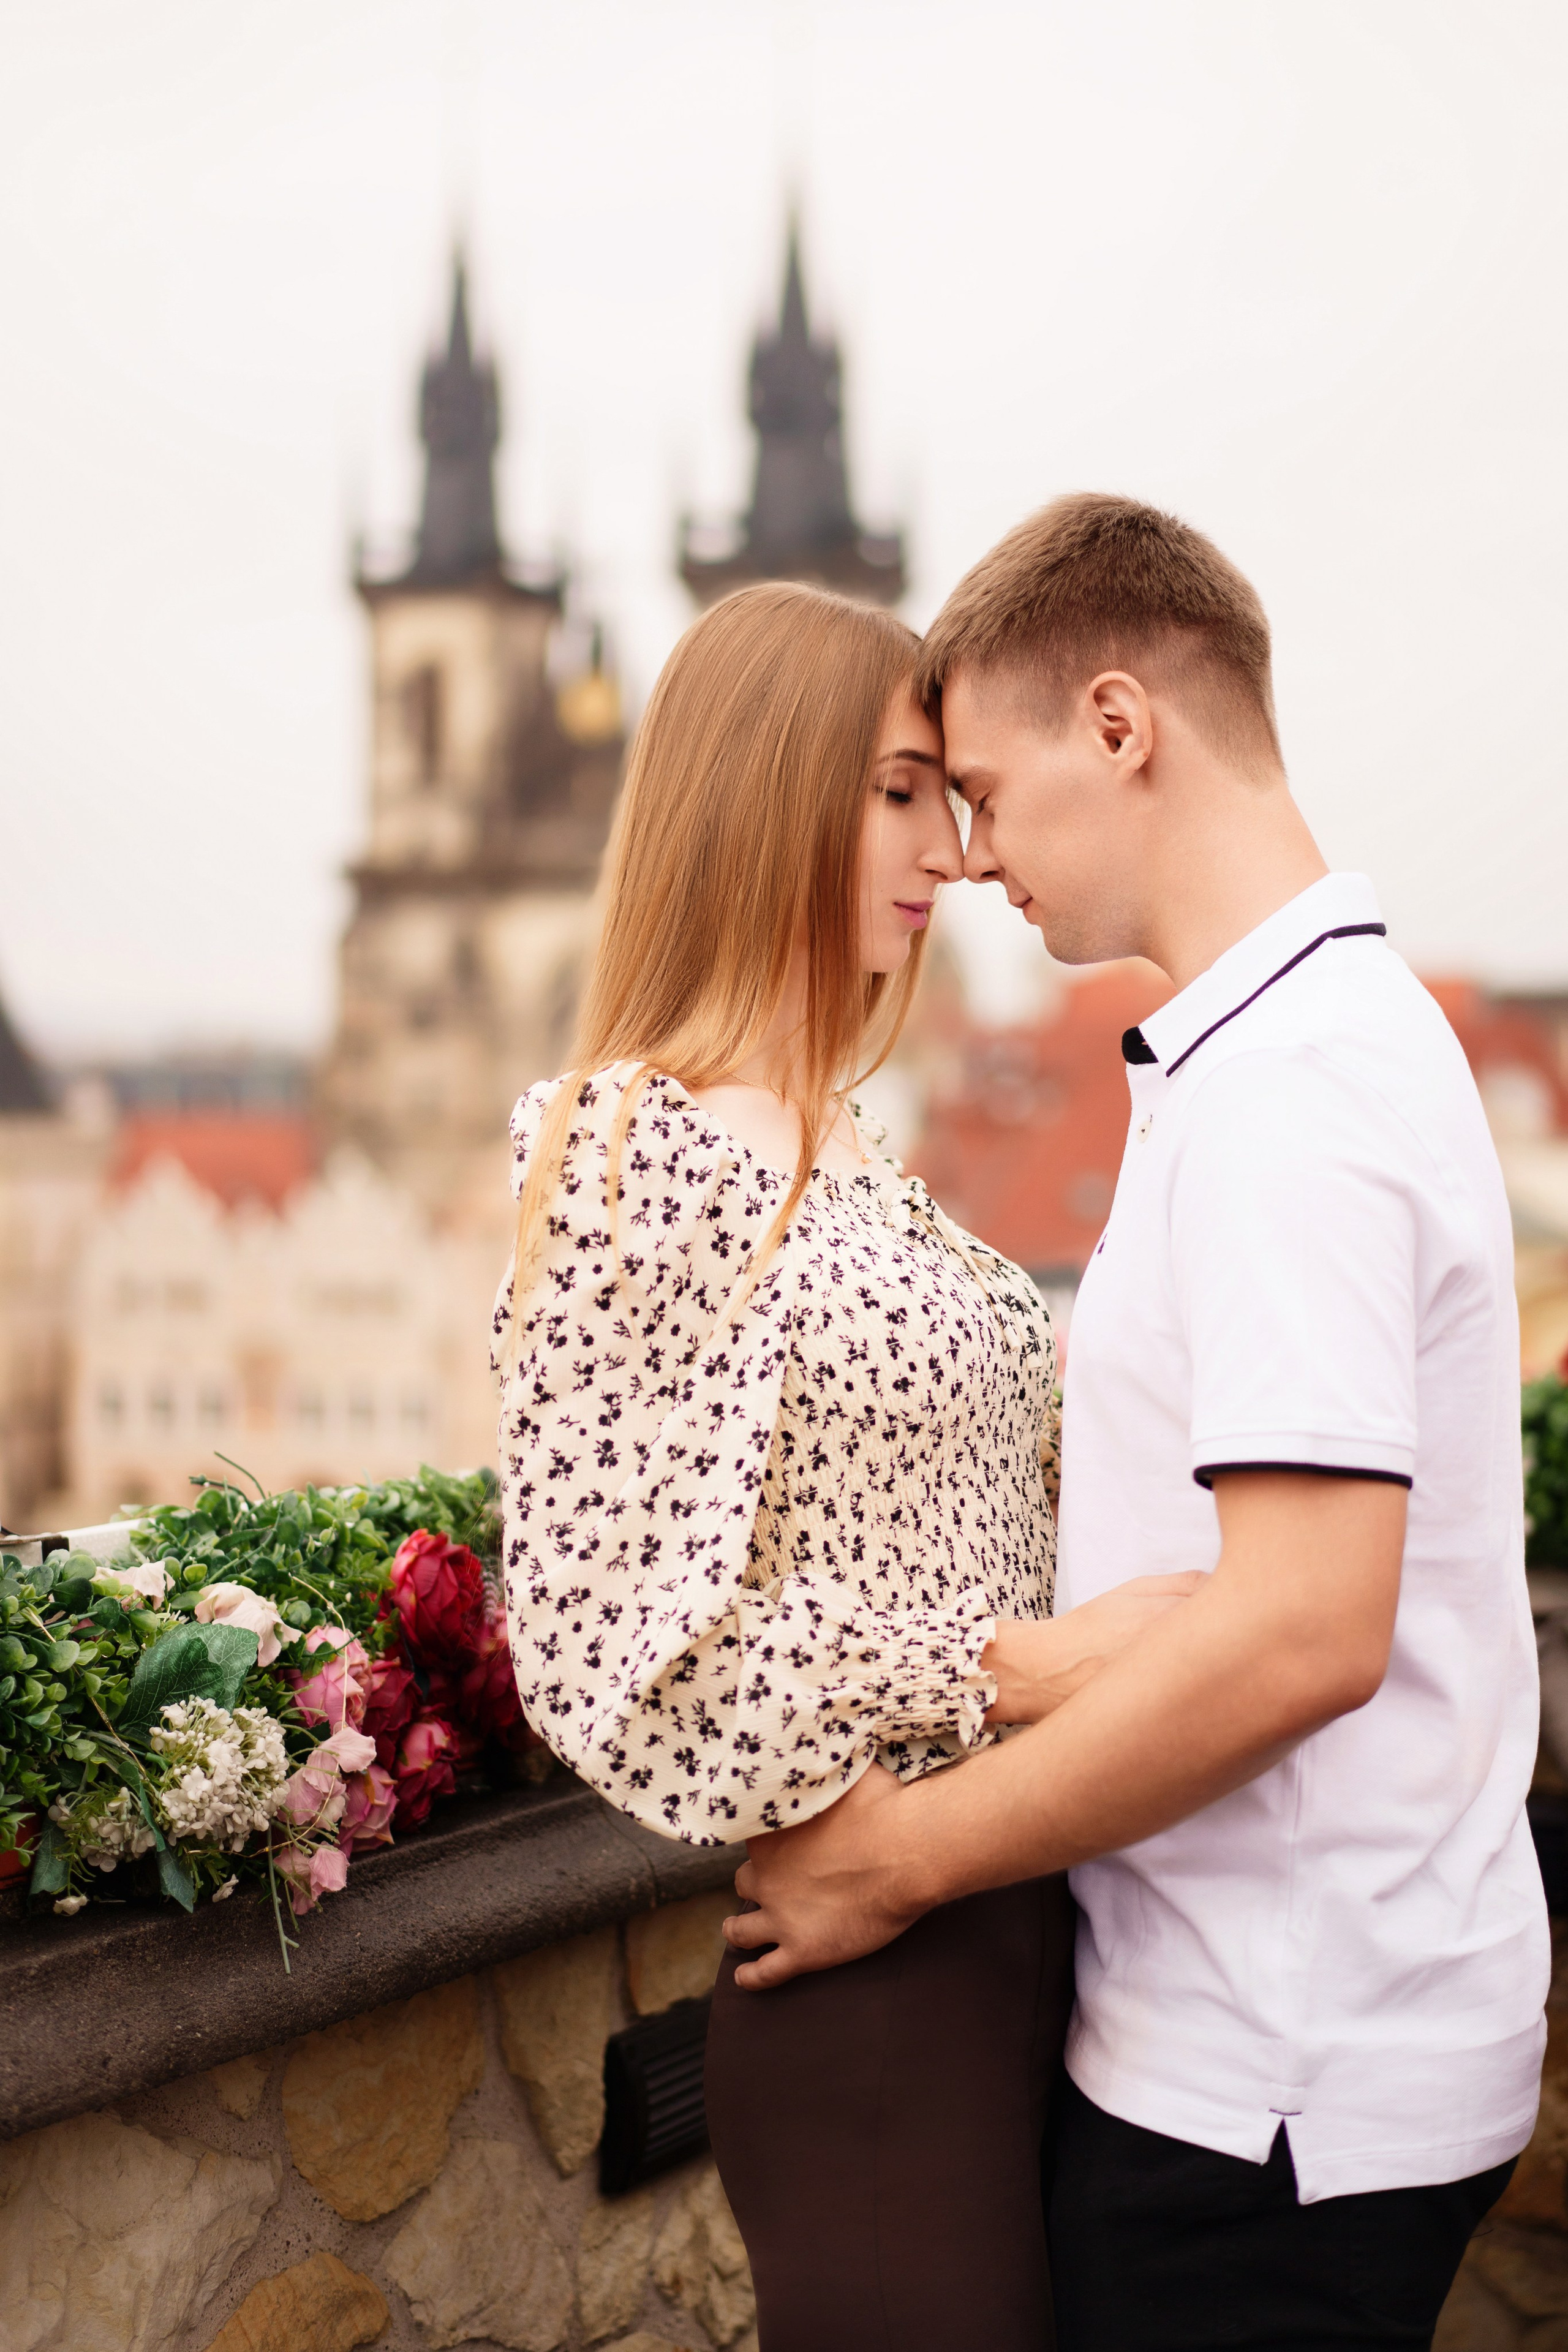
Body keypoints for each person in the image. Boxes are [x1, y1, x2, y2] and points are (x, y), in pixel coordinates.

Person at [725, 496, 1550, 2352]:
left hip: (1274, 2094)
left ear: (1120, 725)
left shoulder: (1292, 1091)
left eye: (984, 792)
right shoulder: (1314, 1034)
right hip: (1305, 2046)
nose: (970, 854)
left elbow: (1301, 1634)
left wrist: (901, 1859)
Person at [492, 578, 1195, 2351]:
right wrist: (1017, 1668)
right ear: (764, 793)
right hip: (880, 1993)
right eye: (897, 793)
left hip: (1021, 1925)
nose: (950, 852)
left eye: (946, 798)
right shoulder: (639, 1147)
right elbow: (606, 1638)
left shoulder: (848, 1142)